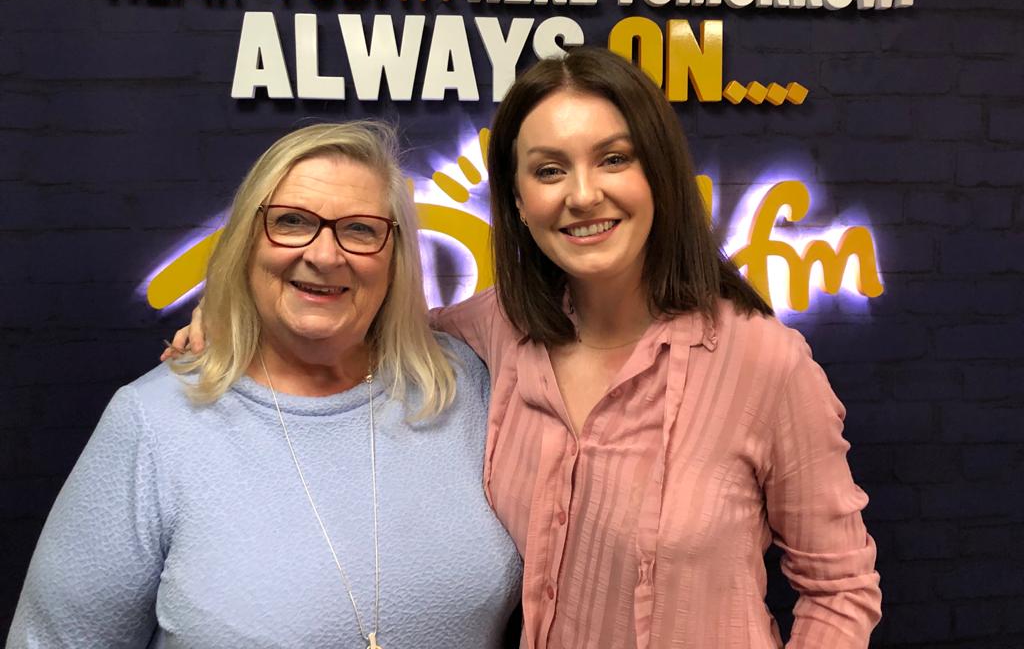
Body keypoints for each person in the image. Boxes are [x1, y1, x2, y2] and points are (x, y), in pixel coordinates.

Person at [163, 47, 882, 648]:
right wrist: (236, 323)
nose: (583, 194)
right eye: (548, 170)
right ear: (516, 201)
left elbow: (841, 589)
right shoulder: (494, 331)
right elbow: (363, 319)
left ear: (659, 174)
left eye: (613, 159)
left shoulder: (763, 361)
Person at [8, 123, 522, 648]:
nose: (324, 256)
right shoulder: (154, 421)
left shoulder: (465, 384)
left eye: (361, 230)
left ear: (397, 256)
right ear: (246, 242)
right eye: (291, 222)